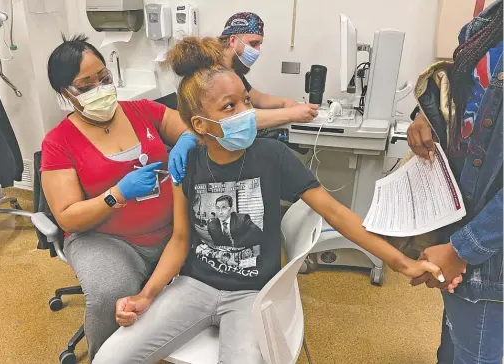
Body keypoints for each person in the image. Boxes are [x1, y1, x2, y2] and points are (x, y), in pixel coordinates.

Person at [92, 36, 445, 364]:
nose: (246, 113)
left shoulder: (272, 156)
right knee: (109, 358)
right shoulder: (188, 164)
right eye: (230, 107)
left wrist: (401, 263)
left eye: (245, 101)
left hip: (251, 293)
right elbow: (181, 240)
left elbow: (337, 214)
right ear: (200, 124)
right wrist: (147, 295)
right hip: (194, 286)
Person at [41, 34, 197, 360]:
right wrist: (117, 194)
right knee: (112, 293)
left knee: (225, 267)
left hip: (173, 229)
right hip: (107, 240)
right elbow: (68, 215)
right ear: (64, 94)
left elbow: (192, 126)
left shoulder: (140, 110)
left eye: (104, 78)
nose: (100, 89)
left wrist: (186, 139)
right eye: (86, 86)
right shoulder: (59, 142)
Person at [407, 2, 503, 363]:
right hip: (460, 218)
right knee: (452, 347)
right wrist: (424, 117)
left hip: (490, 252)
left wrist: (462, 249)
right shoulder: (487, 23)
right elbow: (463, 90)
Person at [218, 12, 320, 129]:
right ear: (232, 41)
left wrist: (284, 102)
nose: (257, 51)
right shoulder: (215, 73)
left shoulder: (234, 70)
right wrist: (292, 114)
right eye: (253, 43)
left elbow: (257, 99)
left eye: (259, 45)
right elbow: (237, 118)